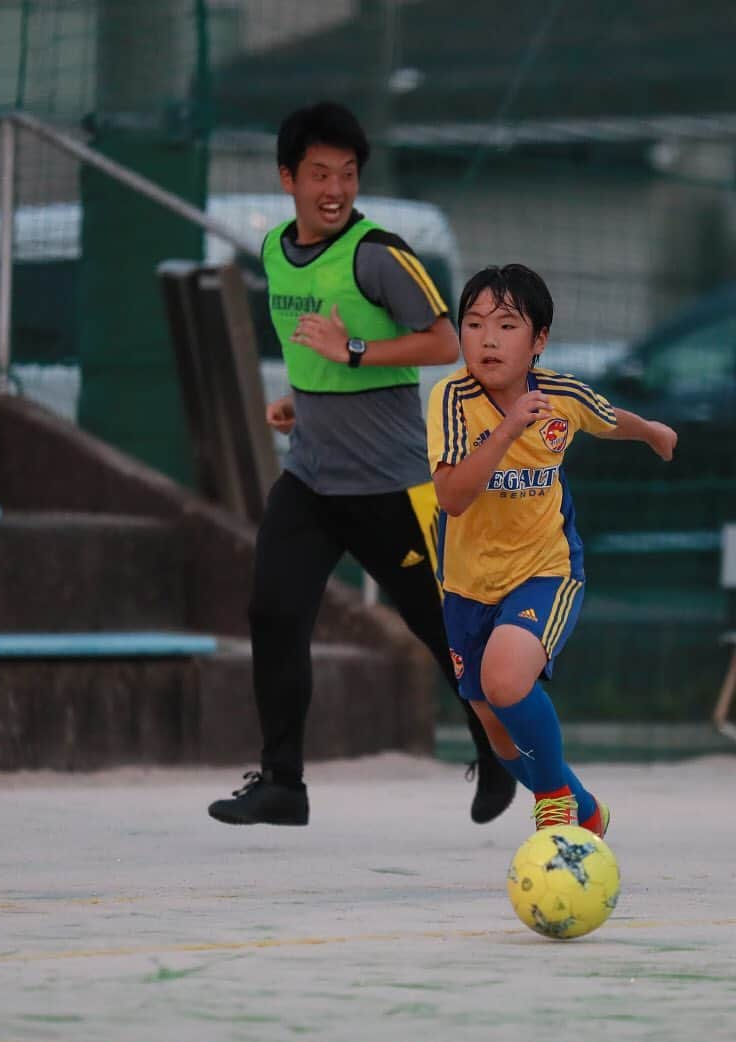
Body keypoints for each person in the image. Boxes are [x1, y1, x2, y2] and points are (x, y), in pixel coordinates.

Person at [208, 102, 516, 827]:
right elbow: (316, 350)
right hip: (312, 477)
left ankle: (503, 752)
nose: (335, 188)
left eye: (347, 174)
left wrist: (354, 355)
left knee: (447, 631)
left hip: (394, 486)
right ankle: (283, 783)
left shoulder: (379, 253)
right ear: (288, 178)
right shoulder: (278, 251)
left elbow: (445, 343)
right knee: (273, 612)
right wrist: (298, 399)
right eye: (319, 174)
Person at [427, 263, 677, 832]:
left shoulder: (561, 395)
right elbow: (454, 496)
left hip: (547, 571)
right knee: (494, 723)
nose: (487, 339)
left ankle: (555, 802)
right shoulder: (451, 399)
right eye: (473, 323)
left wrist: (652, 431)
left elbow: (609, 418)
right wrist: (509, 429)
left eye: (507, 325)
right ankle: (585, 810)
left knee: (507, 679)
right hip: (467, 585)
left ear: (538, 340)